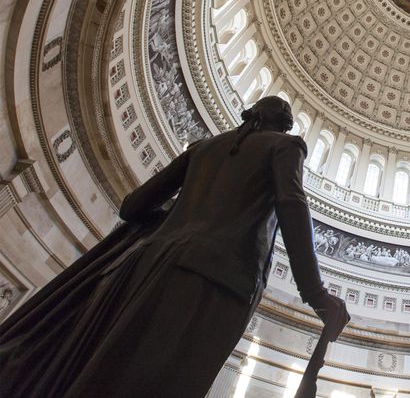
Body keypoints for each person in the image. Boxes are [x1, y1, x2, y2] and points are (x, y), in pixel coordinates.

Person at [0, 95, 348, 397]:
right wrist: (315, 293)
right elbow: (292, 203)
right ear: (284, 127)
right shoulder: (285, 146)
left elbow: (132, 206)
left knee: (106, 373)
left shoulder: (204, 147)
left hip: (144, 266)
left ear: (253, 114)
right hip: (215, 278)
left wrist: (180, 218)